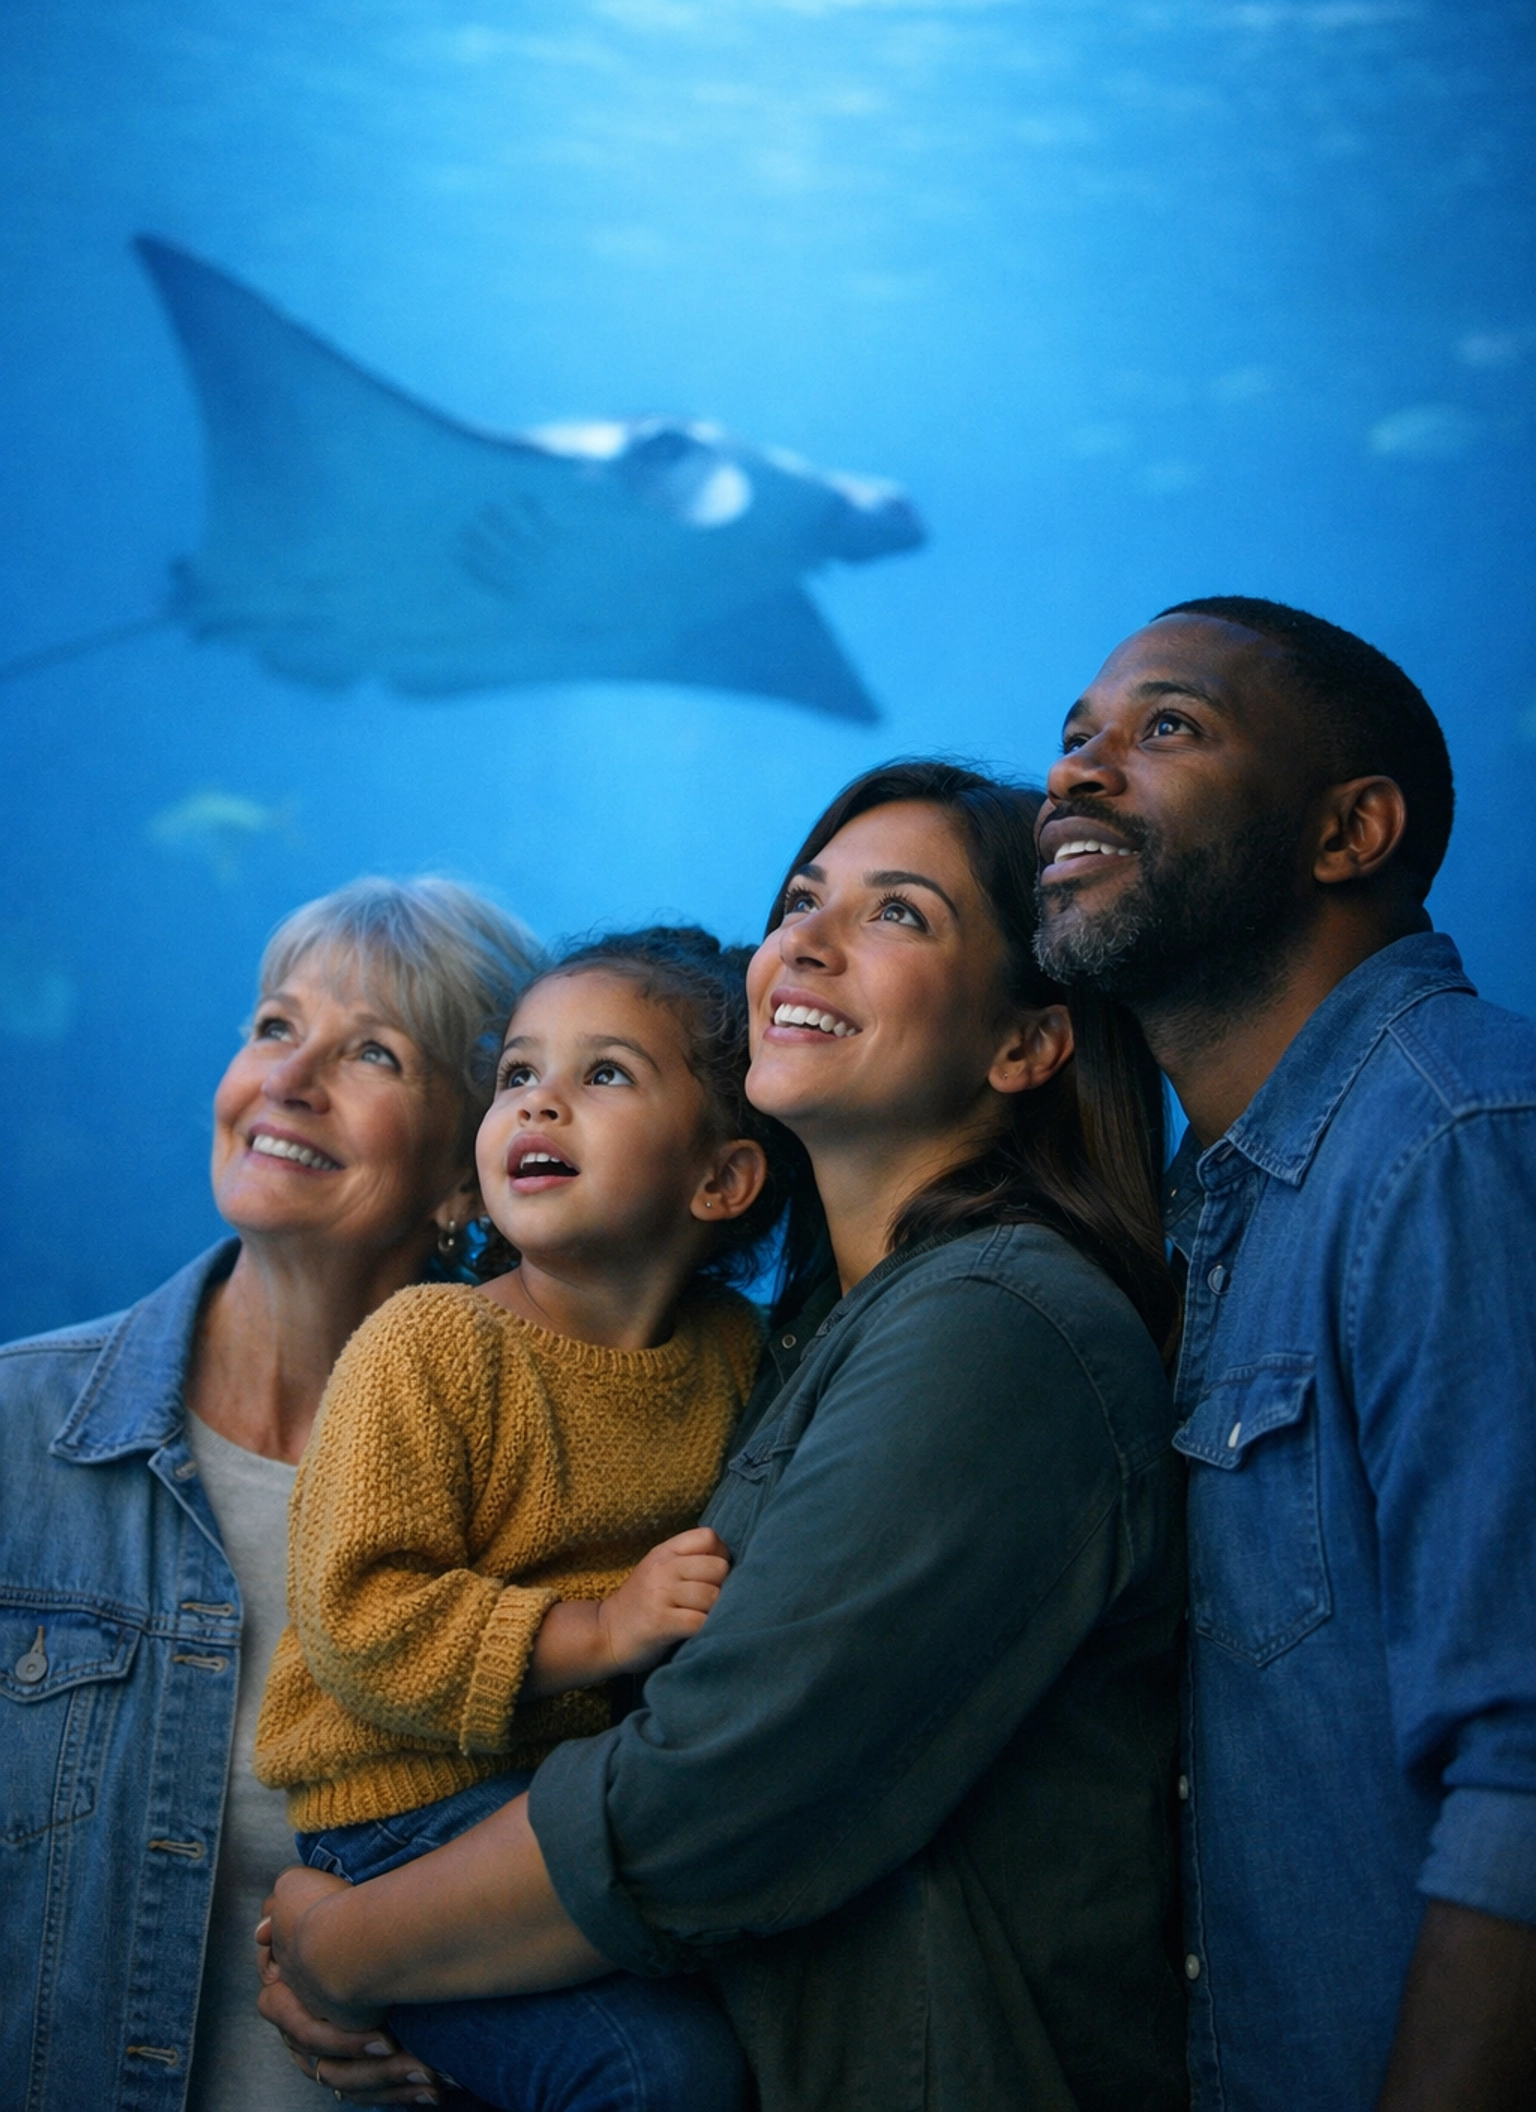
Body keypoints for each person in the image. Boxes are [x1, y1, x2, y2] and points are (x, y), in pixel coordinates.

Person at [257, 761, 1189, 2112]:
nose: (799, 940)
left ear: (1027, 1046)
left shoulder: (990, 1326)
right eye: (801, 897)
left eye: (898, 914)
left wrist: (347, 1947)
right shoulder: (820, 1333)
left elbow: (715, 1795)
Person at [1032, 597, 1536, 2110]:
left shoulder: (1455, 1145)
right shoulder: (1210, 1204)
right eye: (1073, 740)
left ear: (1350, 830)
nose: (1076, 774)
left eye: (1164, 728)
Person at [0, 876, 541, 2112]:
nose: (288, 1083)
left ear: (470, 1172)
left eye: (373, 1053)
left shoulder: (548, 1501)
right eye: (274, 1028)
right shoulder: (19, 1435)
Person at [255, 929, 798, 2112]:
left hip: (571, 1800)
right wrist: (602, 1631)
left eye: (604, 1074)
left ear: (722, 1180)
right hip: (403, 1819)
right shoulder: (430, 1342)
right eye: (517, 1075)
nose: (539, 1101)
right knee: (661, 2072)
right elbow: (360, 1618)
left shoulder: (733, 1356)